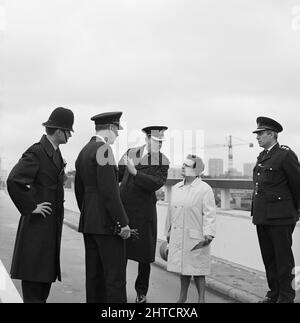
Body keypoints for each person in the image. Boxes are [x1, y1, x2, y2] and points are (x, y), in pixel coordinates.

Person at [6, 107, 74, 303]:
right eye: (68, 131)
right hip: (36, 231)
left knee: (42, 288)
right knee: (34, 290)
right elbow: (14, 180)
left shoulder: (55, 152)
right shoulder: (37, 151)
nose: (69, 135)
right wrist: (31, 206)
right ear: (59, 131)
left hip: (48, 232)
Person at [75, 111, 131, 303]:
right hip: (108, 226)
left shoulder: (84, 151)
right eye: (117, 131)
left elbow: (79, 190)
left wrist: (89, 214)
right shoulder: (104, 150)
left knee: (94, 277)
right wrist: (122, 222)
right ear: (112, 128)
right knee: (115, 279)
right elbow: (110, 192)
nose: (118, 135)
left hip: (90, 223)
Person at [119, 126, 169, 303]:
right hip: (125, 210)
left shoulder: (163, 161)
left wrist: (135, 173)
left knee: (145, 256)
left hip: (144, 212)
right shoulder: (131, 152)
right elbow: (116, 174)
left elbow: (156, 183)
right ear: (147, 139)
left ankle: (141, 292)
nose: (159, 144)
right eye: (156, 141)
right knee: (121, 253)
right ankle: (119, 290)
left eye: (161, 141)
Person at [252, 116, 300, 303]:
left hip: (281, 217)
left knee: (283, 260)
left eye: (260, 134)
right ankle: (274, 294)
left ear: (271, 134)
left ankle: (286, 297)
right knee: (269, 259)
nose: (257, 137)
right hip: (263, 217)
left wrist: (296, 212)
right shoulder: (262, 156)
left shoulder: (285, 154)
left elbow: (297, 185)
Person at [165, 155, 216, 303]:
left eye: (187, 165)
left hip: (197, 236)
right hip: (178, 234)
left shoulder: (204, 189)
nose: (182, 167)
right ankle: (182, 297)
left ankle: (201, 299)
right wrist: (168, 231)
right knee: (183, 268)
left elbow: (209, 213)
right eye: (183, 164)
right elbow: (170, 212)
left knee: (198, 270)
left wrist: (209, 233)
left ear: (196, 170)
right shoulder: (176, 188)